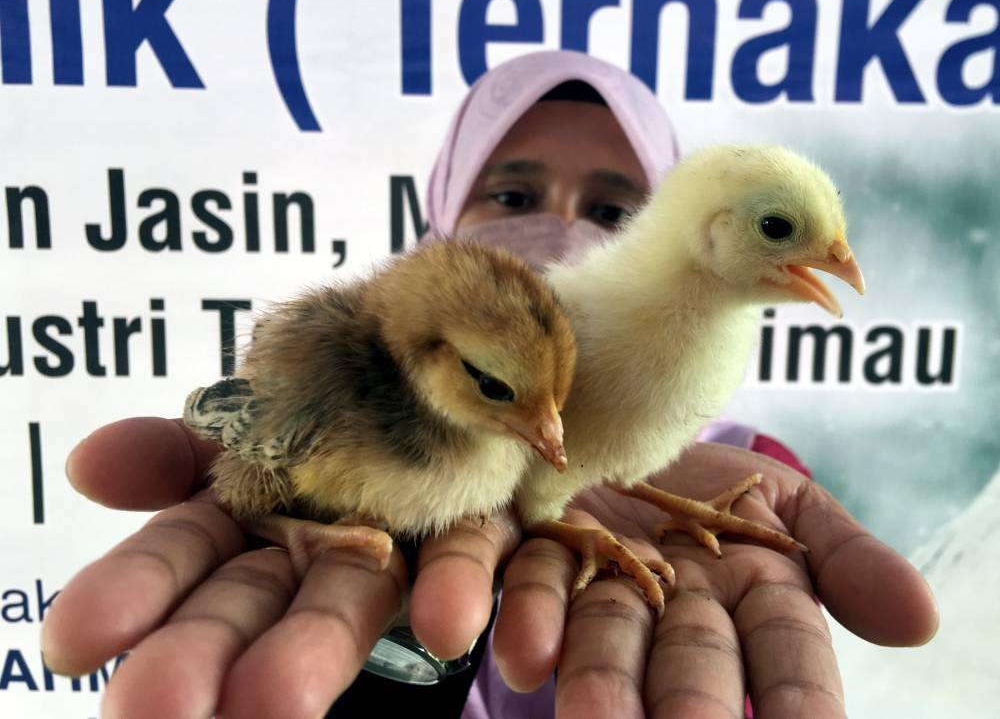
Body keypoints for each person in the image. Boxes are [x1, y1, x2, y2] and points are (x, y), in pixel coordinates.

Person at [41, 51, 938, 719]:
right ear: (446, 209)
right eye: (511, 196)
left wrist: (615, 498)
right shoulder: (375, 377)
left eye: (614, 209)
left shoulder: (742, 453)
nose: (558, 227)